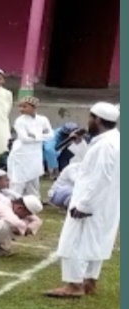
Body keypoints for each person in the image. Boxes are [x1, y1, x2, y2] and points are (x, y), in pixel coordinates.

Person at [45, 103, 120, 298]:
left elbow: (100, 176)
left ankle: (74, 286)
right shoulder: (114, 140)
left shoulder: (105, 145)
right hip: (108, 202)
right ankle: (89, 281)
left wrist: (85, 204)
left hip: (91, 202)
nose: (88, 122)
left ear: (97, 120)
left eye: (90, 118)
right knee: (96, 240)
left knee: (75, 241)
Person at [7, 96, 53, 197]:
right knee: (18, 180)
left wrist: (34, 135)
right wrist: (40, 136)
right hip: (21, 153)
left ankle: (34, 202)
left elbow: (50, 135)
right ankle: (13, 201)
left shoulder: (43, 120)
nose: (21, 109)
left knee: (34, 180)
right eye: (20, 107)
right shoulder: (20, 121)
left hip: (35, 154)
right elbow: (24, 138)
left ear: (34, 107)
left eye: (24, 107)